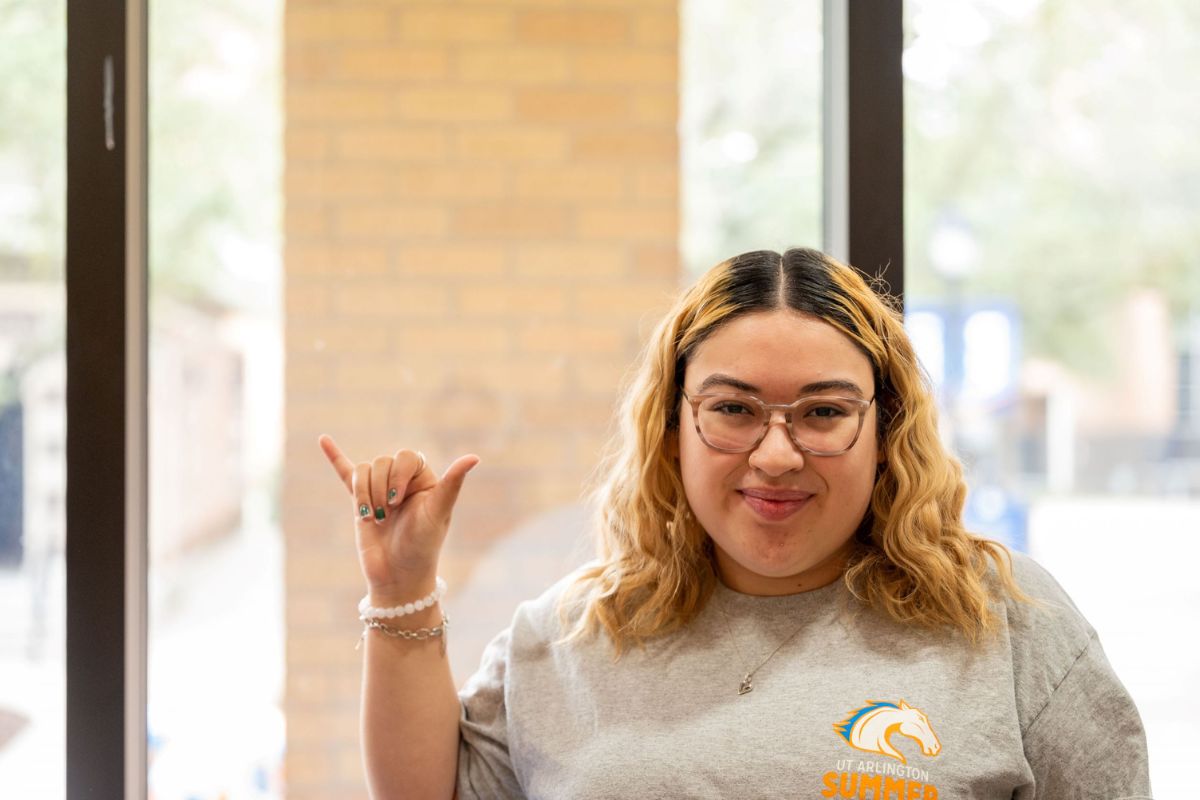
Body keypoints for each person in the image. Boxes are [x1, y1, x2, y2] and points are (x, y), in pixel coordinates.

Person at [319, 248, 1152, 800]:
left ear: (886, 429)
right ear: (672, 428)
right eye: (733, 409)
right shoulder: (569, 635)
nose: (777, 454)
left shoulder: (1006, 620)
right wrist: (400, 588)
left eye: (823, 412)